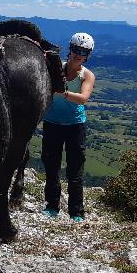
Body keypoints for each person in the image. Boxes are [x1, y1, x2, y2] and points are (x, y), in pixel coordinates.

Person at [41, 32, 96, 222]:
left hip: (75, 126)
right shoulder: (55, 68)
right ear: (70, 50)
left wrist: (62, 92)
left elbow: (83, 99)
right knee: (51, 167)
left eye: (83, 51)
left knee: (75, 171)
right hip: (52, 123)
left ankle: (76, 212)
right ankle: (52, 206)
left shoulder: (87, 75)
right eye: (75, 49)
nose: (78, 54)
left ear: (88, 55)